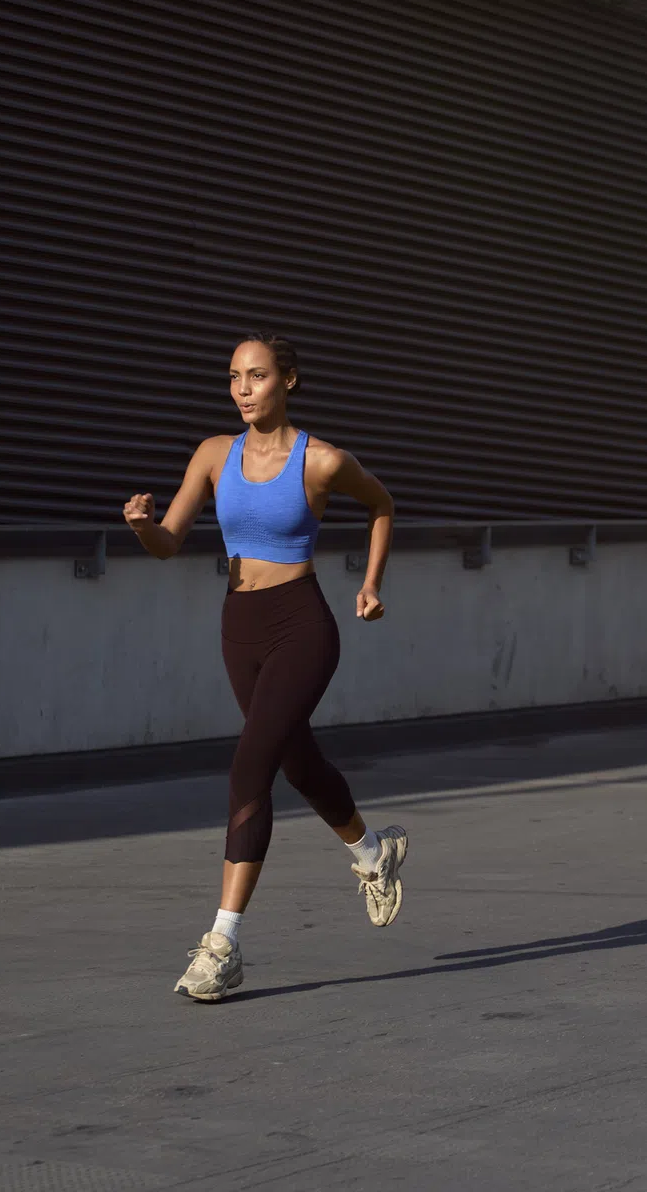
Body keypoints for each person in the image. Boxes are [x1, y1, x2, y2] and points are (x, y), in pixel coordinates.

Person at [122, 333, 407, 1004]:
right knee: (296, 763)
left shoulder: (323, 461)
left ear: (289, 381)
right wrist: (142, 527)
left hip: (302, 625)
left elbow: (383, 505)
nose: (242, 389)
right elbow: (169, 541)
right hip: (239, 626)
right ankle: (373, 853)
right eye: (233, 378)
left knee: (250, 767)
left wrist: (369, 584)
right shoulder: (214, 455)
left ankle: (222, 944)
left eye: (255, 376)